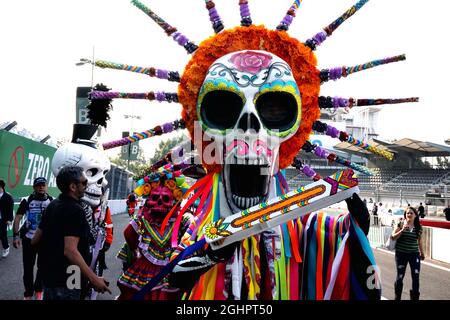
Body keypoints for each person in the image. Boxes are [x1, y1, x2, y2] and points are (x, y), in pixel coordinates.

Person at [32, 166, 110, 300]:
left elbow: (35, 240)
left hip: (50, 277)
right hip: (69, 279)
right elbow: (70, 251)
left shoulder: (53, 205)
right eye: (84, 182)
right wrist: (94, 279)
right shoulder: (76, 210)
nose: (87, 185)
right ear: (73, 187)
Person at [12, 177, 53, 300]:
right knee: (28, 268)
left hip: (44, 241)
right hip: (29, 239)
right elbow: (18, 217)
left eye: (43, 185)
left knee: (43, 267)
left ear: (46, 186)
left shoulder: (51, 201)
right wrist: (15, 236)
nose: (41, 187)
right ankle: (28, 293)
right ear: (34, 187)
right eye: (38, 185)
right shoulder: (27, 200)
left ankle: (39, 290)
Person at [390, 206, 424, 300]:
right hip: (401, 254)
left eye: (411, 213)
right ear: (405, 215)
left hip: (414, 254)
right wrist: (401, 230)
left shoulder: (419, 227)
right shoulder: (400, 224)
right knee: (400, 276)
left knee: (416, 276)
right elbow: (393, 237)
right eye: (407, 213)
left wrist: (422, 253)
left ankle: (415, 298)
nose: (409, 214)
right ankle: (397, 297)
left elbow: (420, 241)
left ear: (415, 216)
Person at [0, 179, 14, 258]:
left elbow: (10, 209)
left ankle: (6, 248)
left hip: (3, 219)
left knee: (3, 235)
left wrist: (9, 219)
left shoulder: (8, 197)